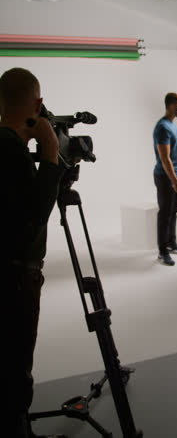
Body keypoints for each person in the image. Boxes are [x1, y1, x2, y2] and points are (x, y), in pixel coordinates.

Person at [0, 68, 66, 438]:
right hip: (14, 281)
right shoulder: (10, 149)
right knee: (14, 370)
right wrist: (51, 153)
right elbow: (33, 219)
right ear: (37, 104)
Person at [153, 92, 177, 266]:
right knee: (164, 214)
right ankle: (162, 251)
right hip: (165, 177)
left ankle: (171, 243)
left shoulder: (174, 126)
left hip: (176, 176)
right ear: (171, 105)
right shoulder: (162, 127)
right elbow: (165, 159)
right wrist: (175, 182)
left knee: (173, 211)